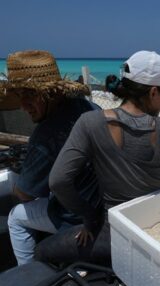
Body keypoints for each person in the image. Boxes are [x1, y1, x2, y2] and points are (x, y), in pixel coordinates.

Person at [34, 50, 160, 266]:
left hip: (111, 235)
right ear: (153, 92)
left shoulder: (90, 122)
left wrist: (90, 216)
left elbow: (58, 181)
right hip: (155, 232)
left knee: (40, 252)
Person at [1, 50, 101, 265]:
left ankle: (26, 274)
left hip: (76, 217)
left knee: (15, 217)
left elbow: (25, 195)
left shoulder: (46, 135)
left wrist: (18, 187)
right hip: (102, 202)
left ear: (52, 93)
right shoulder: (88, 106)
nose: (23, 105)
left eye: (30, 94)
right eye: (20, 95)